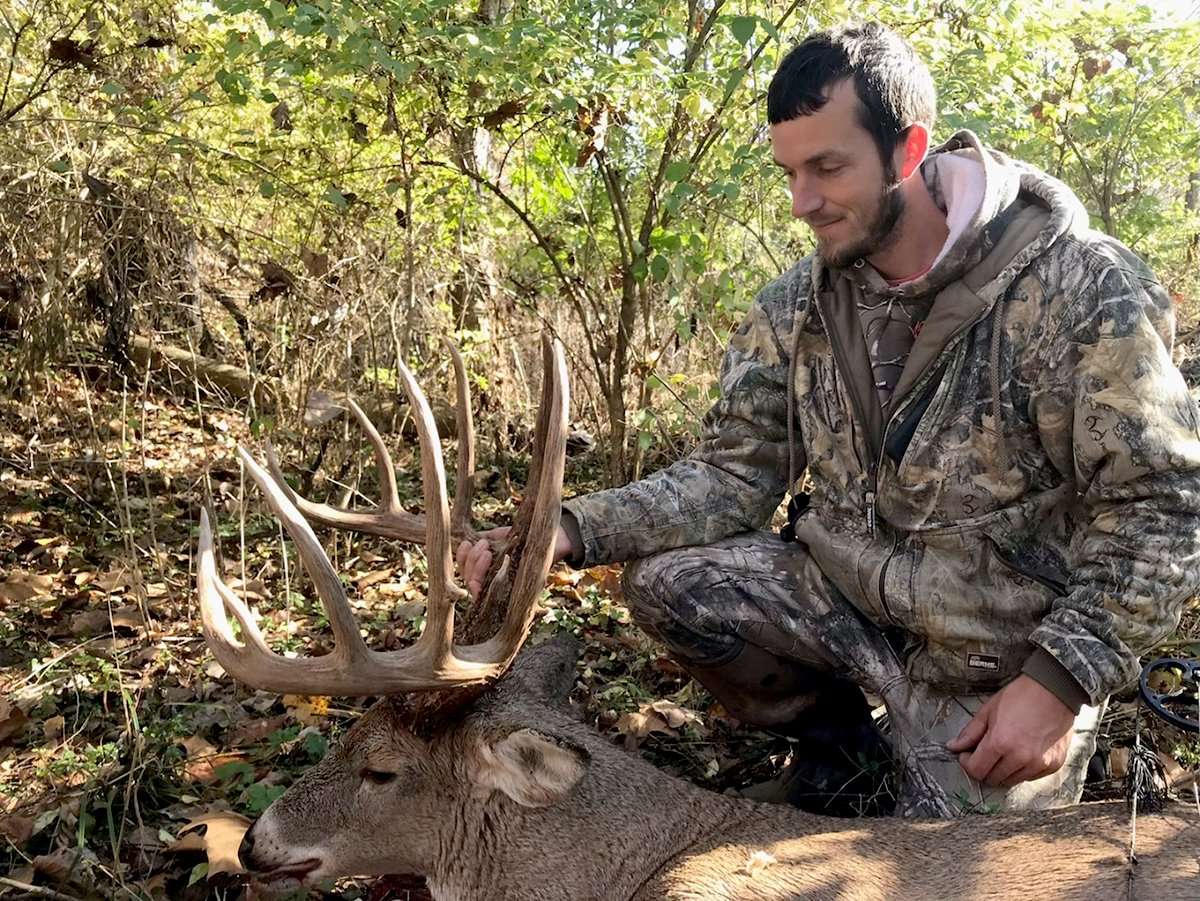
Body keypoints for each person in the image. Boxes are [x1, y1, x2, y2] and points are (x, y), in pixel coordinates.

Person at [459, 23, 1200, 815]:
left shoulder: (1078, 288)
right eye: (788, 172)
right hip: (852, 613)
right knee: (673, 584)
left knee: (943, 861)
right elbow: (733, 471)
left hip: (1001, 658)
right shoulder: (797, 304)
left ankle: (941, 762)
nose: (801, 202)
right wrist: (570, 529)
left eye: (828, 167)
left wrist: (1059, 680)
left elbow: (1163, 503)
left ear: (907, 150)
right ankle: (841, 752)